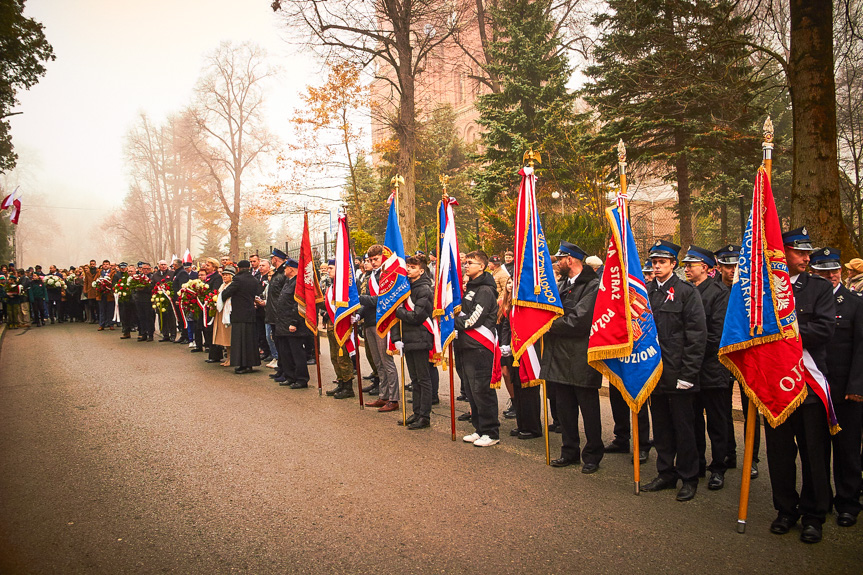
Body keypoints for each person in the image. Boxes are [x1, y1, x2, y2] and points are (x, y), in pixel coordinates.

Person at [766, 227, 835, 544]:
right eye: (800, 252)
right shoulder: (764, 289)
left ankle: (813, 515)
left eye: (808, 252)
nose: (807, 258)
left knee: (814, 454)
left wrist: (785, 331)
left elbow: (823, 329)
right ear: (783, 253)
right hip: (774, 388)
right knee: (779, 454)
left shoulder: (818, 288)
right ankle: (785, 510)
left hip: (807, 386)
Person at [642, 240, 707, 502]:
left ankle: (689, 477)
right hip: (654, 372)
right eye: (654, 262)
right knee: (661, 428)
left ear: (673, 265)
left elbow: (697, 336)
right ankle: (665, 473)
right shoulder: (645, 292)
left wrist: (688, 375)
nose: (657, 266)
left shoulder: (686, 292)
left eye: (662, 262)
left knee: (684, 428)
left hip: (679, 373)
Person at [810, 247, 863, 528]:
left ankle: (848, 501)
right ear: (813, 272)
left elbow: (861, 347)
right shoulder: (805, 302)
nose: (830, 275)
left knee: (847, 450)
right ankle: (821, 500)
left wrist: (857, 385)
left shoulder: (855, 303)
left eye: (834, 270)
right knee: (817, 450)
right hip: (816, 389)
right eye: (823, 270)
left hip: (845, 392)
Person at [542, 241, 603, 473]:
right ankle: (569, 451)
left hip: (580, 356)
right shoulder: (560, 285)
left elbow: (579, 320)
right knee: (565, 409)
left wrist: (549, 325)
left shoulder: (593, 286)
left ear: (570, 260)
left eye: (559, 259)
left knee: (589, 411)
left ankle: (592, 455)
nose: (556, 263)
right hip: (558, 356)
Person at [682, 245, 731, 491]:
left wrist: (691, 353)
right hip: (691, 368)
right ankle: (697, 463)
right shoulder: (686, 291)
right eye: (686, 265)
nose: (687, 269)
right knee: (693, 420)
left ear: (706, 267)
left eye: (691, 265)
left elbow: (716, 334)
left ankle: (718, 467)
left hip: (712, 367)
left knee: (717, 421)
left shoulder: (719, 292)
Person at [713, 243, 760, 478]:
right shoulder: (711, 289)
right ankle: (728, 453)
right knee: (722, 410)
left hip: (746, 355)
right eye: (728, 266)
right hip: (721, 357)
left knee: (750, 406)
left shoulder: (751, 289)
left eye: (737, 266)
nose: (733, 270)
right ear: (719, 267)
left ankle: (752, 457)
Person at [455, 250, 500, 447]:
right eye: (465, 262)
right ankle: (479, 428)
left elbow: (474, 319)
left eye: (470, 263)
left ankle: (491, 431)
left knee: (482, 390)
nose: (466, 265)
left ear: (482, 266)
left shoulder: (485, 290)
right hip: (466, 345)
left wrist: (452, 322)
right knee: (471, 391)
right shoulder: (471, 288)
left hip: (480, 347)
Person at [393, 254, 435, 429]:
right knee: (414, 379)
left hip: (420, 337)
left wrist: (399, 311)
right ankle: (416, 412)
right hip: (408, 338)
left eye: (413, 267)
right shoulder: (406, 287)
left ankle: (424, 416)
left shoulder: (424, 289)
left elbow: (417, 316)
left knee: (423, 379)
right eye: (408, 266)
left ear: (421, 270)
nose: (409, 269)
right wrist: (397, 338)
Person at [499, 277, 542, 440]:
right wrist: (505, 344)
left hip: (527, 350)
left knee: (528, 390)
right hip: (512, 350)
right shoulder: (512, 304)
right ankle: (522, 424)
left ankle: (533, 427)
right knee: (517, 387)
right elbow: (506, 326)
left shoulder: (529, 302)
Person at [359, 245, 400, 412]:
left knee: (386, 361)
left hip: (383, 322)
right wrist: (359, 314)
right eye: (370, 260)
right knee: (377, 362)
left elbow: (382, 299)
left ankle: (394, 398)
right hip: (369, 321)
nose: (373, 262)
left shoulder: (387, 276)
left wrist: (359, 298)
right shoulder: (370, 277)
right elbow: (369, 301)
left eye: (376, 259)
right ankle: (383, 395)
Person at [322, 260, 356, 400]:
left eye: (331, 268)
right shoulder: (331, 286)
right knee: (334, 356)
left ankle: (348, 386)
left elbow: (348, 308)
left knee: (342, 357)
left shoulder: (342, 288)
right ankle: (341, 382)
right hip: (331, 325)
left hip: (341, 326)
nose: (328, 270)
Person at [221, 260, 263, 374]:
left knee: (240, 341)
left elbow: (226, 293)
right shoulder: (254, 280)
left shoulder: (238, 280)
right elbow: (258, 291)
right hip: (250, 313)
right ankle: (249, 364)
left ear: (239, 268)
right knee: (250, 340)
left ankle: (242, 364)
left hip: (239, 314)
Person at [275, 258, 310, 388]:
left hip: (293, 325)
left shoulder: (298, 284)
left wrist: (294, 322)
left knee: (297, 353)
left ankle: (301, 378)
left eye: (286, 268)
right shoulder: (288, 282)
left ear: (291, 268)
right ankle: (290, 376)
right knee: (286, 352)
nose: (284, 270)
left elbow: (298, 305)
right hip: (283, 324)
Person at [265, 249, 288, 379]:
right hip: (273, 315)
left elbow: (282, 297)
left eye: (272, 258)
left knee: (282, 346)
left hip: (279, 316)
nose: (271, 260)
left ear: (276, 259)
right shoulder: (276, 274)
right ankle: (281, 369)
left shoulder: (282, 275)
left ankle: (285, 371)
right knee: (278, 344)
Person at [212, 265, 236, 366]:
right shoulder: (222, 286)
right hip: (221, 312)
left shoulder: (232, 285)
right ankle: (227, 357)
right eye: (223, 275)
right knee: (224, 338)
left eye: (227, 275)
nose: (224, 277)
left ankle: (231, 358)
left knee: (229, 337)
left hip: (228, 313)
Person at [133, 262, 155, 342]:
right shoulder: (138, 277)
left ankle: (150, 334)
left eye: (147, 269)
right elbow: (133, 287)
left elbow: (153, 288)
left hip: (148, 300)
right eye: (144, 269)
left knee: (149, 317)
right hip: (139, 299)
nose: (145, 270)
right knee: (141, 317)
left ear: (150, 269)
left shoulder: (152, 277)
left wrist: (145, 288)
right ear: (141, 269)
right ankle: (143, 333)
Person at [171, 259, 190, 344]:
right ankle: (183, 335)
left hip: (180, 300)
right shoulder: (177, 273)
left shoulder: (182, 273)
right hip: (176, 299)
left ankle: (186, 336)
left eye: (174, 265)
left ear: (176, 265)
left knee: (183, 318)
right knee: (180, 318)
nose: (173, 266)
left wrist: (180, 298)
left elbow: (182, 286)